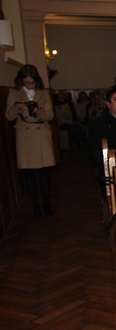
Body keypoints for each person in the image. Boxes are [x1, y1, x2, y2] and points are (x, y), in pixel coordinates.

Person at [5, 64, 56, 217]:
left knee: (44, 172)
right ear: (21, 81)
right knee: (29, 173)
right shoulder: (14, 93)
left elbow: (50, 115)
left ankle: (46, 202)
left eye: (32, 82)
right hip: (25, 135)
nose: (30, 85)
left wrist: (39, 113)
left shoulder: (43, 93)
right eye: (26, 82)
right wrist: (17, 107)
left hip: (41, 133)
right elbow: (8, 116)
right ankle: (35, 204)